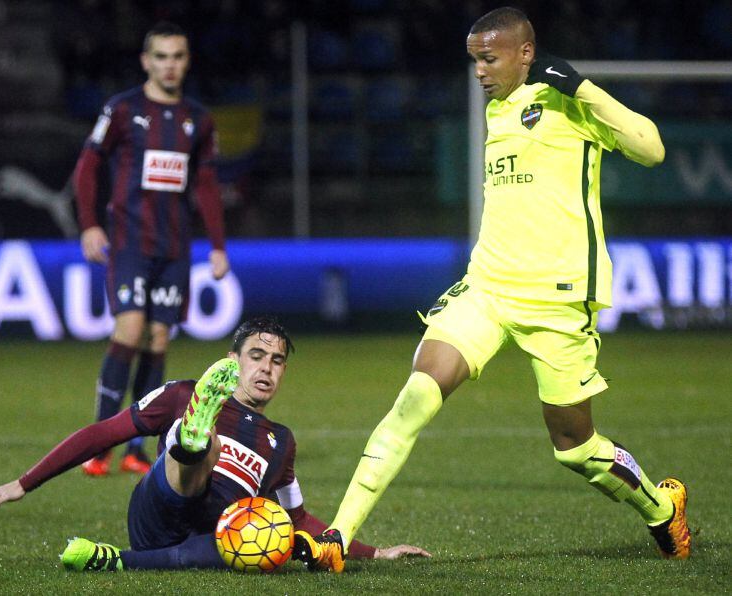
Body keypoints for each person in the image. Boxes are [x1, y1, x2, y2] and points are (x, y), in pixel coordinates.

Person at [294, 7, 691, 573]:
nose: (479, 71)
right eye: (474, 59)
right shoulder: (499, 109)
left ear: (526, 53)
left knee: (576, 448)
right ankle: (337, 536)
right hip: (488, 288)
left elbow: (652, 148)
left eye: (489, 58)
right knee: (415, 397)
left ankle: (659, 506)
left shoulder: (570, 105)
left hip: (558, 299)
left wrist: (579, 85)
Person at [0, 318, 429, 571]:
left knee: (270, 543)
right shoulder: (181, 394)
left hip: (212, 537)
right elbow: (105, 433)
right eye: (257, 356)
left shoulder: (280, 441)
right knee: (204, 450)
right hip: (160, 507)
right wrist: (25, 482)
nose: (267, 368)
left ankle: (111, 561)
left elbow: (299, 517)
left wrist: (370, 551)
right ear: (232, 361)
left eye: (278, 361)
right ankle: (194, 440)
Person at [72, 21, 230, 476]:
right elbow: (88, 165)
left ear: (187, 61)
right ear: (146, 61)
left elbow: (205, 184)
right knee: (129, 330)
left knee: (158, 339)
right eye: (161, 56)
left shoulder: (198, 119)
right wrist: (89, 225)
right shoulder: (122, 109)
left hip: (174, 247)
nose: (169, 65)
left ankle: (138, 448)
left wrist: (218, 246)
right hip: (128, 242)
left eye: (177, 56)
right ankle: (100, 442)